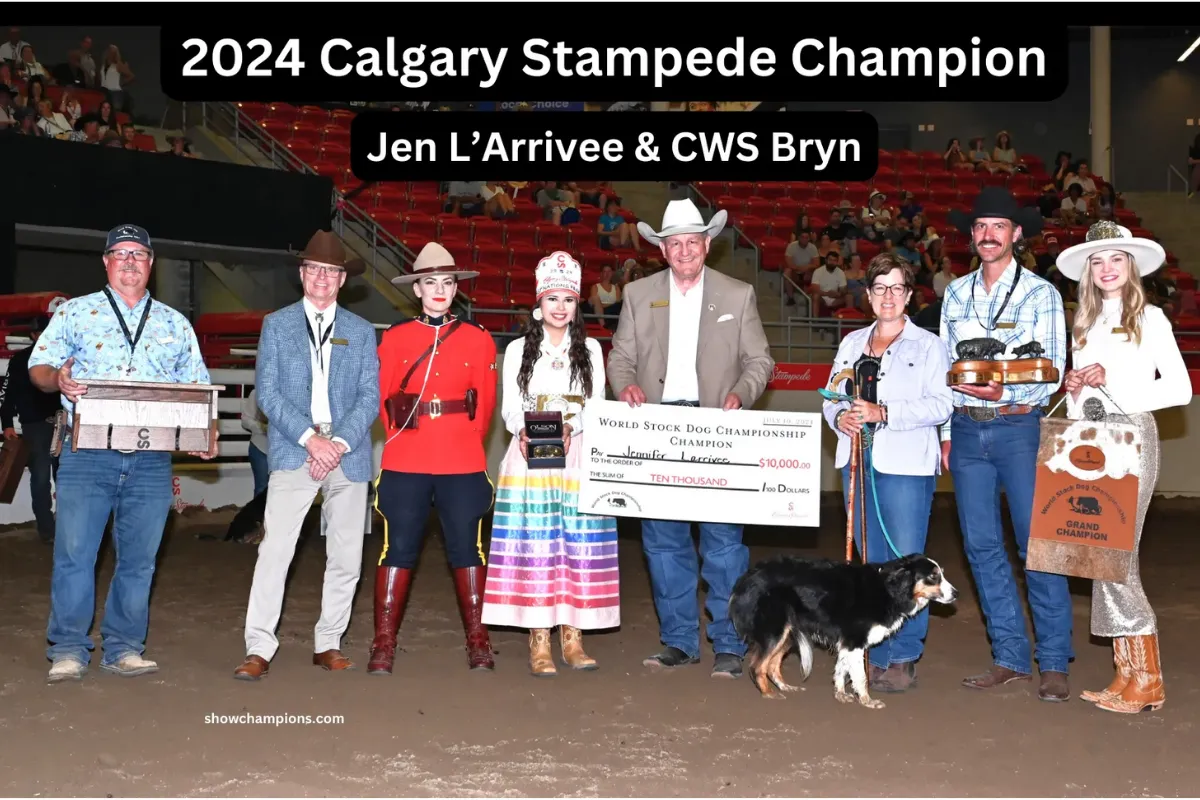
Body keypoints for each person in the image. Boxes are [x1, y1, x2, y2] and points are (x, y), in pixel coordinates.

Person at [28, 224, 216, 683]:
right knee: (75, 554)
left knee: (139, 559)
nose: (130, 261)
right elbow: (39, 367)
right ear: (106, 262)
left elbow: (197, 385)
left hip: (151, 459)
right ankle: (69, 649)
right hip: (87, 450)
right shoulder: (75, 313)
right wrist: (60, 381)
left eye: (139, 254)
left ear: (151, 264)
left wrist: (207, 432)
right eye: (120, 253)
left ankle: (125, 647)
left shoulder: (175, 323)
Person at [607, 199, 775, 679]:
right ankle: (679, 641)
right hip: (657, 431)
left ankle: (728, 642)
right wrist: (626, 386)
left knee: (723, 546)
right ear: (662, 250)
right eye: (674, 242)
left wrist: (741, 395)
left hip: (716, 432)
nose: (684, 250)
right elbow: (620, 358)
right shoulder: (639, 295)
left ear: (707, 245)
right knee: (663, 544)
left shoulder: (738, 294)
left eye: (691, 242)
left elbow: (759, 361)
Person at [938, 187, 1072, 701]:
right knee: (981, 547)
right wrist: (948, 433)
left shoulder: (1042, 295)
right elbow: (947, 371)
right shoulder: (954, 293)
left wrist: (1006, 389)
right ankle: (1011, 657)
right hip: (968, 430)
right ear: (971, 236)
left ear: (1016, 234)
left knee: (1038, 546)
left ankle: (1054, 661)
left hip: (1019, 427)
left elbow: (1052, 370)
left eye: (998, 226)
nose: (988, 235)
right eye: (979, 227)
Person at [1055, 221, 1192, 713]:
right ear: (1088, 272)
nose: (1107, 268)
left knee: (1119, 558)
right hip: (1090, 439)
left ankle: (1149, 677)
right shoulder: (1083, 324)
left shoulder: (1151, 318)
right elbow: (1082, 399)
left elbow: (1180, 389)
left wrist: (1113, 384)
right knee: (1101, 556)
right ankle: (1127, 673)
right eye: (1098, 260)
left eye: (1116, 259)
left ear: (1130, 266)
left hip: (1132, 436)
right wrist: (1074, 391)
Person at [234, 231, 381, 680]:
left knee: (346, 554)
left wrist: (336, 443)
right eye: (314, 269)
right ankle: (259, 646)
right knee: (274, 551)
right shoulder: (276, 325)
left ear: (341, 280)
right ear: (302, 275)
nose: (322, 277)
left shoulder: (360, 331)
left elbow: (369, 397)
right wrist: (309, 439)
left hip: (347, 453)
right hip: (295, 449)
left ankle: (329, 642)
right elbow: (269, 393)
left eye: (331, 271)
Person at [823, 254, 954, 692]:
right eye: (880, 288)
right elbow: (832, 396)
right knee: (871, 565)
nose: (888, 296)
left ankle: (904, 656)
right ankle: (874, 651)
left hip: (906, 464)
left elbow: (941, 405)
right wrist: (839, 417)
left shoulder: (929, 346)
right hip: (857, 462)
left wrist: (884, 412)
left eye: (897, 288)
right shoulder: (851, 344)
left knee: (908, 561)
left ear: (910, 295)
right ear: (868, 295)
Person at [480, 252, 616, 676]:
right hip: (531, 454)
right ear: (539, 301)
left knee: (575, 543)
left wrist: (572, 426)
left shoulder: (590, 348)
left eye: (568, 300)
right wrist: (523, 429)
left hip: (577, 455)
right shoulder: (519, 348)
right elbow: (509, 408)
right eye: (552, 298)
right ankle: (539, 638)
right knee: (537, 544)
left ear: (577, 305)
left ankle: (573, 636)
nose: (560, 307)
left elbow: (596, 403)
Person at [368, 243, 498, 675]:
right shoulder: (395, 337)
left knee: (467, 549)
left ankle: (478, 640)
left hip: (461, 457)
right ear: (417, 289)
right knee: (397, 548)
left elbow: (484, 411)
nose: (439, 290)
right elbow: (386, 402)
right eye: (430, 283)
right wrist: (408, 439)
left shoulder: (479, 341)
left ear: (456, 288)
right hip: (407, 455)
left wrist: (462, 441)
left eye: (447, 282)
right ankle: (384, 642)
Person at [1, 314, 64, 544]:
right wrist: (7, 423)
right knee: (40, 477)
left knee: (65, 476)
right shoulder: (20, 360)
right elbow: (7, 395)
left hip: (61, 423)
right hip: (36, 424)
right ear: (33, 335)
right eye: (40, 333)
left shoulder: (61, 357)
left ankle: (62, 528)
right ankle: (47, 529)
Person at [241, 387, 269, 499]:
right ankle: (259, 516)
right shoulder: (257, 393)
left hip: (284, 451)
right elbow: (245, 420)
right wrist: (262, 427)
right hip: (260, 448)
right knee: (261, 489)